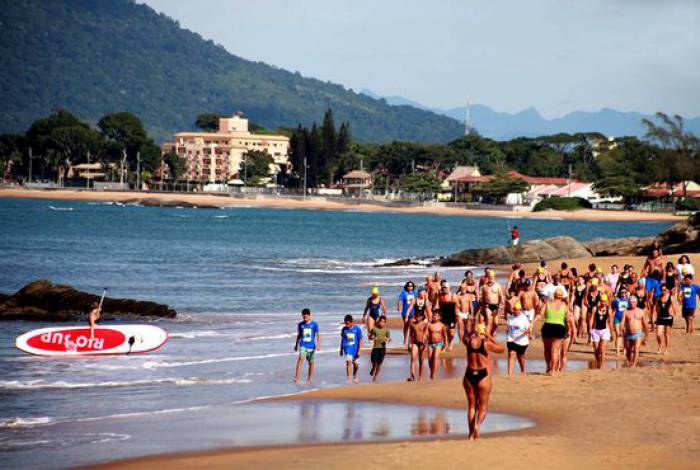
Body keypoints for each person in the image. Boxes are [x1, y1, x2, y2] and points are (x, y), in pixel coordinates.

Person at [462, 322, 505, 440]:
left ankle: (471, 435)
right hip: (483, 375)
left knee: (471, 406)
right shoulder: (486, 344)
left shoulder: (468, 342)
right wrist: (490, 336)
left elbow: (464, 336)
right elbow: (502, 349)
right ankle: (477, 425)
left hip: (469, 374)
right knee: (483, 406)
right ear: (484, 333)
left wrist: (470, 330)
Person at [535, 287, 573, 375]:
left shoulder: (547, 303)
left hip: (547, 326)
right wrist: (569, 329)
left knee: (547, 349)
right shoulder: (564, 306)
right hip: (559, 328)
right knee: (555, 351)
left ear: (554, 296)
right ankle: (553, 371)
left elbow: (540, 314)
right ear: (562, 297)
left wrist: (532, 323)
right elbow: (568, 319)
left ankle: (548, 367)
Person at [294, 308, 320, 384]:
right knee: (300, 359)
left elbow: (318, 335)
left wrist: (318, 344)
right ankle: (297, 377)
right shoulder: (300, 324)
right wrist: (296, 344)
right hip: (303, 345)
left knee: (311, 362)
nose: (305, 318)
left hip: (311, 346)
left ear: (309, 315)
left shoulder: (314, 324)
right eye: (303, 317)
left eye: (306, 316)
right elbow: (299, 335)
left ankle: (309, 378)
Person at [506, 301, 531, 375]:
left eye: (518, 310)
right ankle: (510, 374)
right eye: (515, 310)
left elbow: (529, 328)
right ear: (513, 310)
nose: (516, 311)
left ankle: (523, 371)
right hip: (512, 339)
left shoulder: (524, 318)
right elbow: (508, 328)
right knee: (511, 354)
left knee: (521, 356)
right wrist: (509, 337)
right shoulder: (510, 317)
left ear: (520, 310)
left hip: (522, 341)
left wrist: (526, 331)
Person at [623, 296, 648, 367]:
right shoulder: (626, 311)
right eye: (630, 302)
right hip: (629, 333)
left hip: (638, 333)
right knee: (628, 350)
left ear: (636, 302)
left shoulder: (641, 311)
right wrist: (621, 330)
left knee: (636, 349)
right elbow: (622, 323)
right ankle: (630, 362)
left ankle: (634, 364)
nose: (632, 303)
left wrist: (646, 336)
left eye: (633, 302)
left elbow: (645, 324)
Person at [589, 296, 613, 369]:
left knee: (602, 348)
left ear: (607, 301)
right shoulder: (595, 308)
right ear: (600, 301)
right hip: (595, 330)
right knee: (596, 350)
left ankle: (601, 365)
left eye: (605, 301)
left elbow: (611, 321)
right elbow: (591, 319)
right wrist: (590, 328)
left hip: (605, 331)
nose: (603, 302)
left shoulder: (609, 310)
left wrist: (612, 332)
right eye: (602, 301)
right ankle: (599, 361)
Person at [339, 314, 363, 383]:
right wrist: (341, 349)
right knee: (348, 362)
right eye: (345, 323)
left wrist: (359, 350)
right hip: (347, 349)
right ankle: (349, 378)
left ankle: (355, 375)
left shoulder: (357, 329)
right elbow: (342, 339)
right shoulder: (344, 329)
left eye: (348, 324)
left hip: (355, 349)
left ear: (352, 322)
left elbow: (360, 340)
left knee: (356, 364)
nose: (347, 325)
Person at [407, 311, 429, 381]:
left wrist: (426, 344)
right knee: (413, 358)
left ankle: (420, 376)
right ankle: (412, 376)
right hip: (415, 343)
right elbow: (410, 334)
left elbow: (427, 335)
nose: (416, 318)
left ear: (422, 317)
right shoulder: (412, 324)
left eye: (418, 316)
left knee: (421, 360)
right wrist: (409, 343)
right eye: (415, 316)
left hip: (423, 344)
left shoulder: (425, 324)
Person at [480, 271, 504, 335]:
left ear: (494, 277)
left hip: (496, 306)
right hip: (488, 306)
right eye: (490, 277)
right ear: (488, 277)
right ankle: (487, 336)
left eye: (492, 277)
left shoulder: (498, 285)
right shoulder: (485, 286)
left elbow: (501, 296)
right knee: (488, 320)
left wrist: (501, 306)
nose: (491, 278)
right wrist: (482, 308)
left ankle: (491, 333)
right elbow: (483, 298)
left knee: (495, 324)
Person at [654, 286, 676, 355]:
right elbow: (655, 307)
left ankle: (666, 349)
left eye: (665, 290)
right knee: (658, 333)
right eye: (662, 290)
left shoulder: (670, 297)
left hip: (668, 317)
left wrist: (673, 313)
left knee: (667, 334)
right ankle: (660, 345)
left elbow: (674, 306)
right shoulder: (658, 297)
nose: (663, 291)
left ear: (667, 290)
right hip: (660, 317)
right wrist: (653, 316)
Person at [369, 315, 390, 382]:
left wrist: (388, 339)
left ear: (385, 323)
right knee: (373, 361)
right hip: (375, 348)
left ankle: (375, 376)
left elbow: (389, 338)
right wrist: (372, 337)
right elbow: (370, 337)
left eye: (384, 322)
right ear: (378, 322)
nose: (382, 323)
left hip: (382, 348)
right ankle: (373, 367)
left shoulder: (386, 331)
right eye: (381, 321)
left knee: (380, 363)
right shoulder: (374, 329)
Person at [437, 282, 458, 350]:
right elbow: (439, 304)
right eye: (443, 288)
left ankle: (450, 343)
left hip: (452, 315)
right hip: (443, 315)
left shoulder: (453, 295)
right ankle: (445, 344)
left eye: (445, 287)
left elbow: (457, 306)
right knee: (443, 331)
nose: (444, 289)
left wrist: (457, 315)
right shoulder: (440, 295)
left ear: (449, 288)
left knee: (451, 333)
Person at [427, 311, 448, 380]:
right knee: (430, 359)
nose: (434, 317)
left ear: (439, 317)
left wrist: (445, 344)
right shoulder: (429, 325)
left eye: (436, 316)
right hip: (430, 343)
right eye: (433, 315)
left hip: (438, 343)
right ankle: (431, 371)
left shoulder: (442, 325)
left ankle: (433, 374)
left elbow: (444, 335)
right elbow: (426, 335)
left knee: (435, 357)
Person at [612, 288, 630, 355]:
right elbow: (613, 308)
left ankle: (625, 350)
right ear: (620, 293)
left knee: (624, 335)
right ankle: (617, 351)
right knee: (618, 334)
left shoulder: (629, 301)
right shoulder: (616, 300)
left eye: (625, 292)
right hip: (617, 318)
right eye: (622, 292)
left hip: (625, 319)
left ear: (626, 293)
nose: (623, 294)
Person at [571, 276, 587, 342]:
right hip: (577, 303)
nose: (579, 280)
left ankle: (579, 333)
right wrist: (571, 303)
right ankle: (577, 329)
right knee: (575, 318)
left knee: (583, 318)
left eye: (581, 279)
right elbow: (573, 296)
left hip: (584, 304)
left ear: (583, 280)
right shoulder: (575, 287)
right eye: (579, 279)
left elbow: (586, 296)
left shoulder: (586, 287)